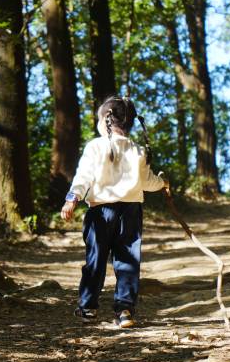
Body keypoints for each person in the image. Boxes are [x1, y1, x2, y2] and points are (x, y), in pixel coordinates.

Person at [60, 96, 168, 328]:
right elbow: (147, 182)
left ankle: (88, 307)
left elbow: (84, 177)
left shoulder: (95, 146)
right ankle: (125, 310)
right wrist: (162, 183)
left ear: (105, 120)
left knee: (95, 259)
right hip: (130, 212)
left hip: (101, 212)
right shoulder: (138, 150)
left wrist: (73, 198)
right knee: (128, 261)